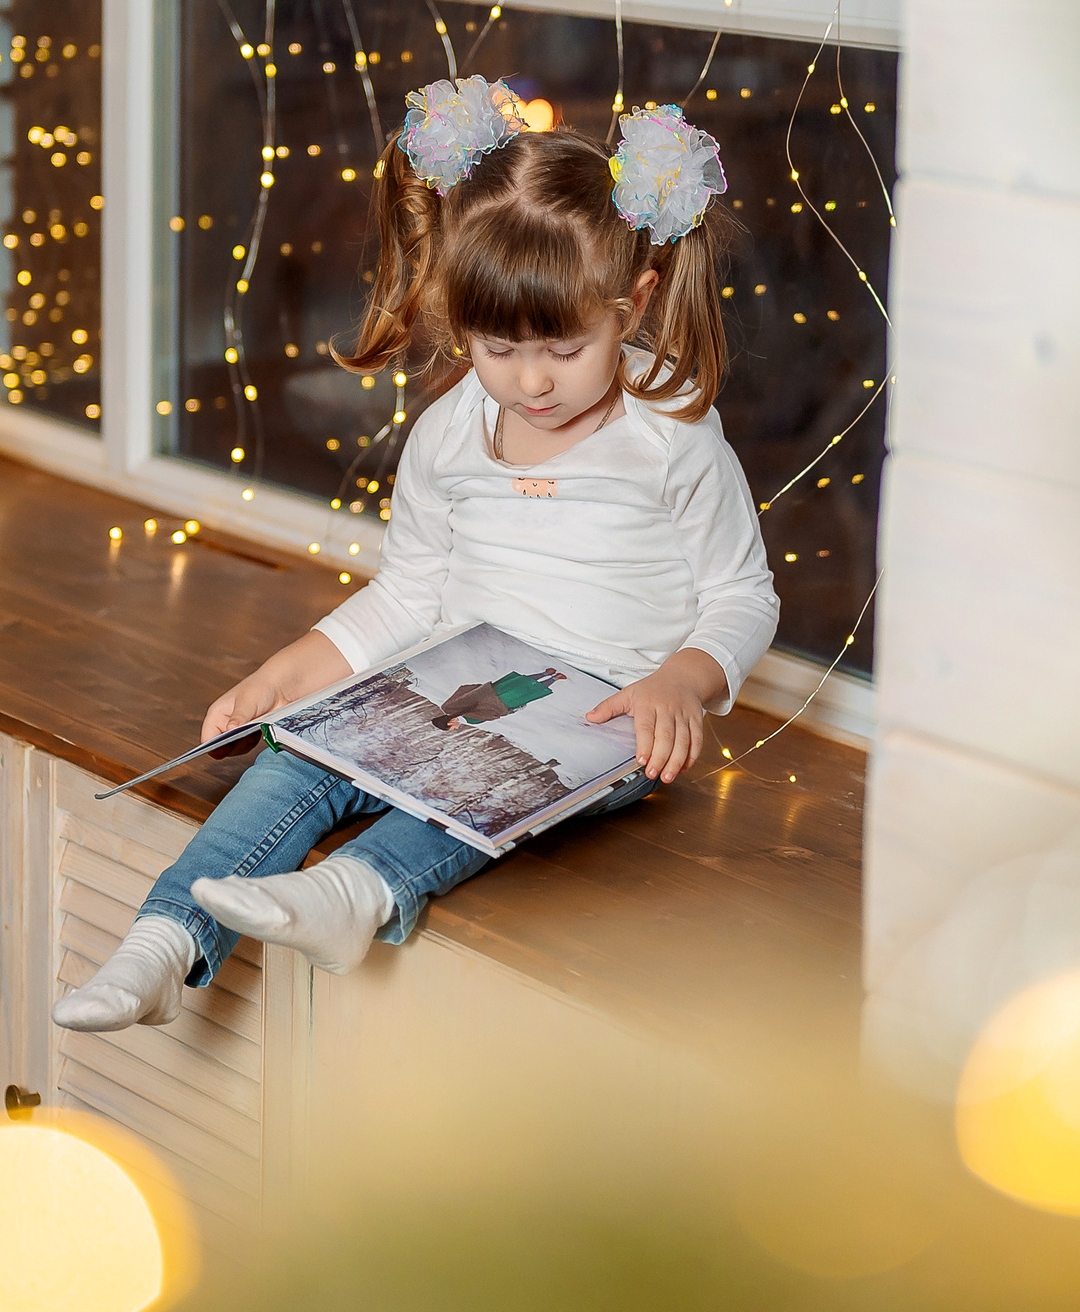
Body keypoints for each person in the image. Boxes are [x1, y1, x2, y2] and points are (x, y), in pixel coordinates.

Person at [54, 77, 778, 1029]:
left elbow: (743, 593)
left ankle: (356, 896)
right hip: (454, 680)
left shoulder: (669, 432)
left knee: (483, 779)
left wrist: (681, 681)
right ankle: (163, 942)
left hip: (607, 720)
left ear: (631, 303)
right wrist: (296, 669)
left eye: (562, 349)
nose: (529, 382)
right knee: (298, 752)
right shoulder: (451, 432)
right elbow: (411, 592)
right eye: (495, 349)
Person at [429, 666, 566, 730]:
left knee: (530, 691)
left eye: (452, 728)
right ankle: (547, 673)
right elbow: (463, 689)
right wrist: (481, 689)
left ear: (450, 723)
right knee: (519, 682)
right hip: (492, 692)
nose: (456, 729)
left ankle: (554, 678)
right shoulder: (448, 706)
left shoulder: (473, 721)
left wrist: (513, 710)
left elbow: (494, 715)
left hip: (505, 702)